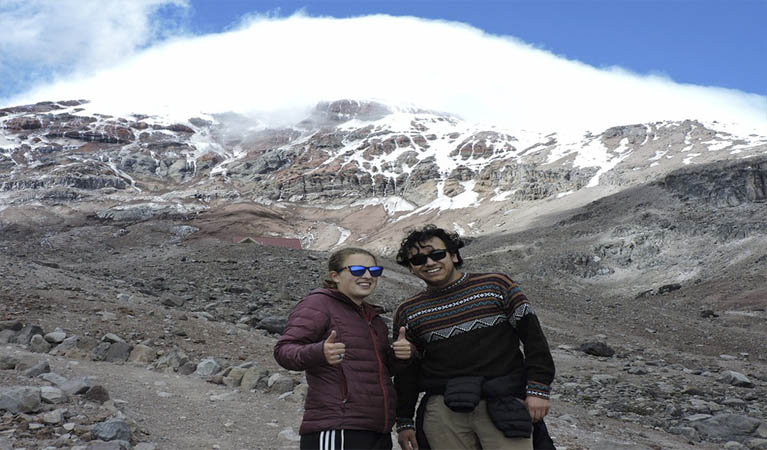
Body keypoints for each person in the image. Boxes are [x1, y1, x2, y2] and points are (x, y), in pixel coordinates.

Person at [392, 225, 556, 450]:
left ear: (454, 255)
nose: (429, 263)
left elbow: (534, 340)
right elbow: (407, 372)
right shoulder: (408, 311)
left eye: (437, 254)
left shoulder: (497, 285)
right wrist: (404, 421)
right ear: (411, 268)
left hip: (503, 401)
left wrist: (538, 389)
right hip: (444, 410)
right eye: (418, 260)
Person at [274, 247, 413, 450]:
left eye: (374, 271)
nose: (367, 276)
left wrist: (401, 356)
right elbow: (283, 350)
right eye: (357, 270)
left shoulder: (373, 319)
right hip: (337, 427)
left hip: (377, 428)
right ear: (335, 276)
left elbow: (375, 369)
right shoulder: (319, 304)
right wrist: (319, 352)